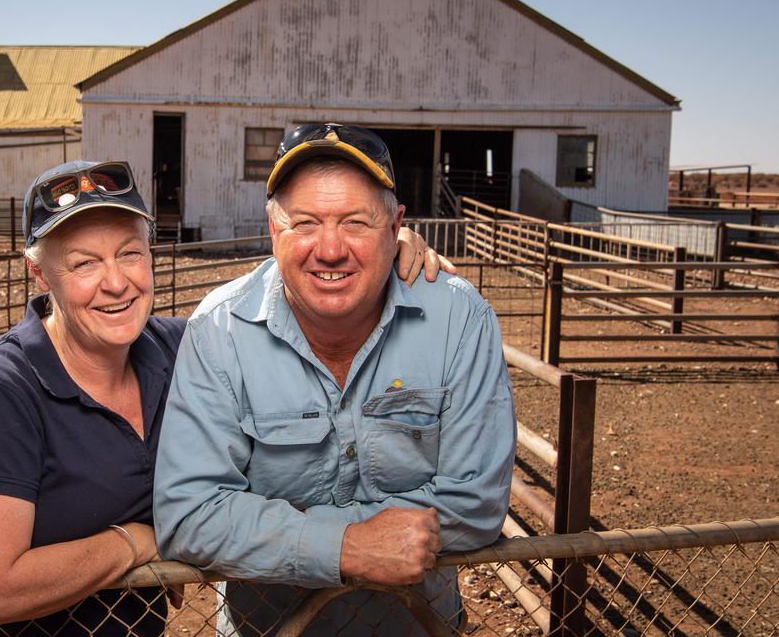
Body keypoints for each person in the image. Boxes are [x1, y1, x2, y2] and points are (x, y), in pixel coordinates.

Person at [0, 158, 451, 635]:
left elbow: (281, 295)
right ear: (39, 273)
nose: (116, 283)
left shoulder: (183, 348)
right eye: (84, 264)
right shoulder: (4, 389)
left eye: (130, 254)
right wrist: (138, 541)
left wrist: (379, 245)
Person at [153, 124, 517, 635]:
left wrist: (279, 533)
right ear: (272, 229)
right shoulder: (220, 330)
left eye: (355, 223)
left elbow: (476, 503)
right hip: (268, 628)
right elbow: (190, 513)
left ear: (396, 229)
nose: (329, 249)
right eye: (304, 223)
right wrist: (349, 547)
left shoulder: (460, 319)